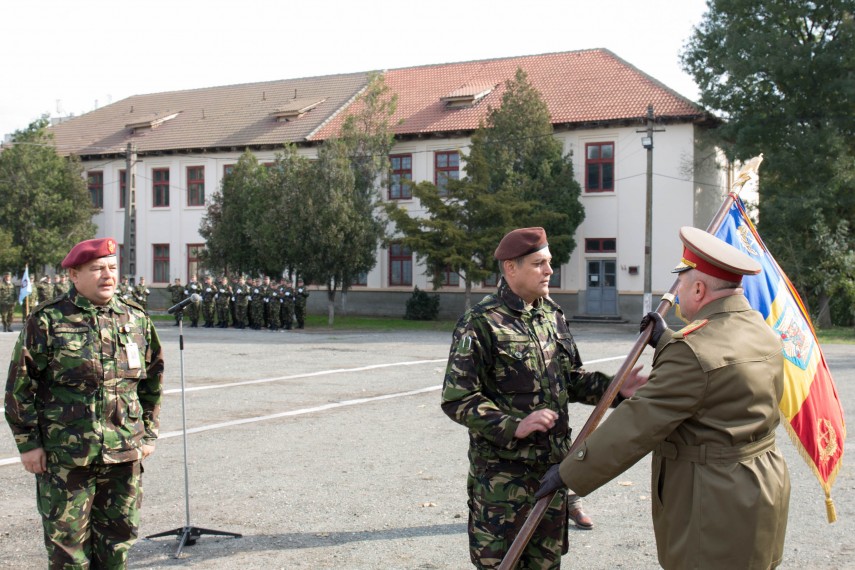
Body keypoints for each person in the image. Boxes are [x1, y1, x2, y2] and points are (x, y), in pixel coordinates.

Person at [537, 226, 790, 570]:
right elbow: (719, 373)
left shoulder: (693, 350)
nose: (678, 292)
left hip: (713, 499)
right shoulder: (759, 329)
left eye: (683, 284)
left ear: (699, 289)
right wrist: (667, 339)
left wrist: (569, 472)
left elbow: (636, 424)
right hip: (760, 487)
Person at [441, 227, 645, 570]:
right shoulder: (481, 323)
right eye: (539, 264)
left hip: (552, 474)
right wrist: (513, 425)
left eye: (548, 262)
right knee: (501, 564)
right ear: (511, 268)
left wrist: (614, 389)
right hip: (502, 485)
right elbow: (457, 398)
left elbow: (572, 379)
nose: (549, 270)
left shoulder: (552, 315)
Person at [4, 237, 164, 568]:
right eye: (97, 269)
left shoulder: (134, 320)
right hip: (66, 460)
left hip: (123, 456)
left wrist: (147, 433)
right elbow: (20, 387)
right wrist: (29, 444)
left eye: (113, 268)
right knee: (68, 552)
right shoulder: (48, 321)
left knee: (117, 544)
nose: (108, 275)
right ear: (74, 275)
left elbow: (152, 381)